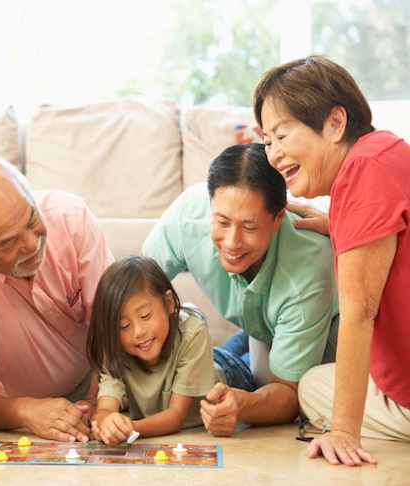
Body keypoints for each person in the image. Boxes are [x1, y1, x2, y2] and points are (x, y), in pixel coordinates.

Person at [254, 55, 410, 467]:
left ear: (335, 123)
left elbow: (360, 311)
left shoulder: (361, 171)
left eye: (283, 135)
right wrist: (340, 225)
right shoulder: (387, 152)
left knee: (309, 387)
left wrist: (342, 430)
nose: (273, 155)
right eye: (267, 142)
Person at [142, 143, 339, 437]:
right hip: (266, 321)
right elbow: (130, 292)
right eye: (221, 222)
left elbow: (287, 394)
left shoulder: (307, 275)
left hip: (327, 321)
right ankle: (243, 344)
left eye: (249, 227)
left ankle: (240, 353)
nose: (232, 243)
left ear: (277, 219)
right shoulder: (187, 217)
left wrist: (242, 406)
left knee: (263, 382)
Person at [0, 157, 114, 442]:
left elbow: (113, 321)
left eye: (31, 220)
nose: (31, 244)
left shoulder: (71, 217)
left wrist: (100, 402)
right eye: (8, 243)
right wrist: (25, 411)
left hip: (103, 377)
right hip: (17, 411)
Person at [87, 255, 220, 446]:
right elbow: (104, 410)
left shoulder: (193, 335)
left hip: (224, 369)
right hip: (192, 355)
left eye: (145, 315)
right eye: (124, 326)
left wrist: (130, 428)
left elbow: (176, 416)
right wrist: (106, 423)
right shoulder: (117, 351)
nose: (139, 332)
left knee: (244, 357)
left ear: (168, 303)